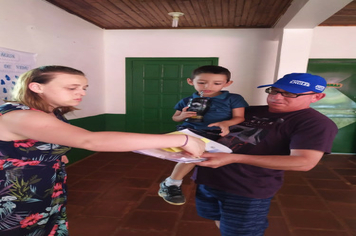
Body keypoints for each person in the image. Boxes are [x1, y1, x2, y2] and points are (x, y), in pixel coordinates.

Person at [0, 65, 205, 235]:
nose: (82, 93)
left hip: (41, 189)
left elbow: (34, 145)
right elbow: (91, 141)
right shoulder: (23, 116)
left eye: (84, 87)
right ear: (37, 87)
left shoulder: (48, 113)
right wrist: (182, 139)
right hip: (13, 195)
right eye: (72, 88)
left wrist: (55, 156)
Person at [193, 73, 338, 236]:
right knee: (218, 219)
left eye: (289, 93)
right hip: (209, 180)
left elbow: (304, 162)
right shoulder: (248, 111)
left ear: (317, 97)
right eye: (273, 91)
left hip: (246, 188)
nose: (276, 97)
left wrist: (234, 158)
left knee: (242, 232)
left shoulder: (315, 123)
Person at [158, 65, 248, 205]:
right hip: (192, 132)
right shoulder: (187, 100)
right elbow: (175, 117)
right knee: (192, 154)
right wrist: (182, 115)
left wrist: (226, 123)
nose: (208, 86)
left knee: (217, 157)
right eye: (201, 82)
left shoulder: (233, 98)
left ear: (227, 83)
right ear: (190, 81)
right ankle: (172, 183)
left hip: (217, 133)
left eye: (217, 83)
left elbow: (239, 117)